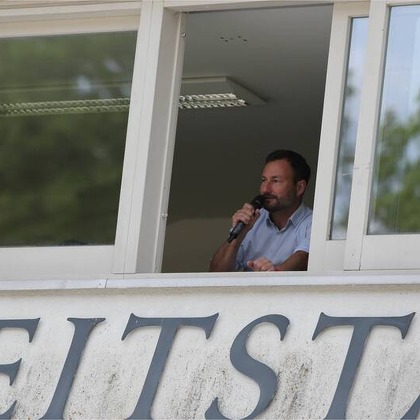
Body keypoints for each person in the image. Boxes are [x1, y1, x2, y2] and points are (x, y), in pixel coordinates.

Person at [209, 149, 312, 272]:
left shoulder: (314, 222)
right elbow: (215, 273)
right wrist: (238, 237)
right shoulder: (253, 219)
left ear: (299, 188)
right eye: (264, 180)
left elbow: (304, 257)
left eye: (275, 181)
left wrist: (273, 273)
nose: (265, 189)